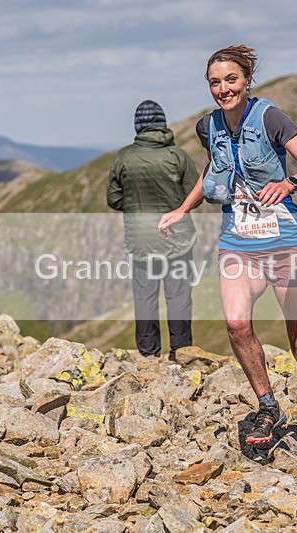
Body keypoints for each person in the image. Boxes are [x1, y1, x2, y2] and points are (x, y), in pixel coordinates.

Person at [158, 45, 297, 460]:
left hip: (286, 242)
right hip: (238, 243)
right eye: (215, 82)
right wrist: (183, 209)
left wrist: (288, 184)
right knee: (237, 326)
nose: (224, 89)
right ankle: (268, 407)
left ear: (247, 81)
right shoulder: (208, 126)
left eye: (231, 80)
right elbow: (213, 169)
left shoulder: (270, 117)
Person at [107, 100, 198, 360]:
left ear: (138, 125)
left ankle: (148, 357)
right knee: (178, 296)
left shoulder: (123, 157)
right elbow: (194, 194)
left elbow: (113, 199)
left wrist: (135, 206)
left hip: (141, 240)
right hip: (177, 239)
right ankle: (181, 354)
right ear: (162, 123)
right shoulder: (177, 156)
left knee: (145, 297)